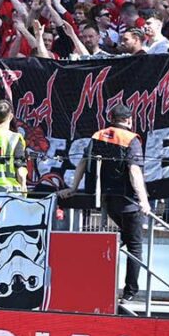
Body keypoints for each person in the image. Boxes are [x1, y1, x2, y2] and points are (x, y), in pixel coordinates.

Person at [57, 102, 152, 306]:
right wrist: (144, 200)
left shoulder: (98, 136)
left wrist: (74, 187)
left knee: (123, 240)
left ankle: (99, 279)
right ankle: (130, 292)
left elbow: (82, 162)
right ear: (128, 120)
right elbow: (134, 171)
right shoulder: (131, 139)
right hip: (129, 203)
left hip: (107, 202)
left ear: (111, 119)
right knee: (135, 247)